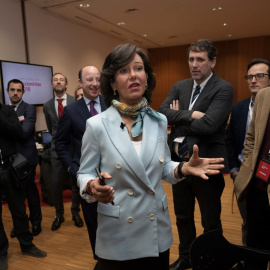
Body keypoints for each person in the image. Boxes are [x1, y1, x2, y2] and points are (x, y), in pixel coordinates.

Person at [77, 43, 225, 270]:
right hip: (118, 232)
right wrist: (91, 186)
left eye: (138, 68)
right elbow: (85, 172)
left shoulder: (158, 121)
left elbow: (163, 168)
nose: (133, 75)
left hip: (155, 230)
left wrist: (183, 168)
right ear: (113, 82)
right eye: (123, 71)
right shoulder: (97, 125)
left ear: (146, 77)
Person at [159, 39, 234, 270]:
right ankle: (187, 258)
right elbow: (162, 114)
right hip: (180, 164)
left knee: (210, 220)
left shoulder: (223, 88)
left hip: (207, 165)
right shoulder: (179, 86)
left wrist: (178, 117)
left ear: (212, 62)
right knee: (182, 217)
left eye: (200, 59)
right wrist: (192, 115)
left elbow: (210, 125)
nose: (194, 64)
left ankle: (213, 262)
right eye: (191, 59)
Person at [55, 66, 107, 269]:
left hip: (114, 173)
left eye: (97, 79)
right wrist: (72, 168)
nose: (94, 83)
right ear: (80, 83)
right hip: (86, 177)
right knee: (94, 222)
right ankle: (101, 259)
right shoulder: (70, 111)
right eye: (89, 80)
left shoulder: (110, 104)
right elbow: (60, 143)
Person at [227, 59, 270, 248]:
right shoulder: (238, 108)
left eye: (259, 76)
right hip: (246, 175)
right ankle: (248, 259)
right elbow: (233, 141)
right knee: (249, 224)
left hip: (265, 178)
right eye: (250, 76)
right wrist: (236, 172)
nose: (254, 80)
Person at [0, 102, 47, 270]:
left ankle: (27, 245)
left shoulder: (6, 110)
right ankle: (1, 253)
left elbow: (17, 132)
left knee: (19, 210)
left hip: (9, 169)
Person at [234, 82, 270, 270]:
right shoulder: (263, 95)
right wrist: (248, 164)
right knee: (256, 250)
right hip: (258, 187)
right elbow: (252, 137)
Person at [43, 73, 83, 231]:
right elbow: (52, 128)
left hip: (74, 149)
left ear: (66, 85)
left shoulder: (75, 101)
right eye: (55, 80)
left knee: (75, 182)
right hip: (55, 151)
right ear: (51, 85)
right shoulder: (47, 105)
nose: (58, 82)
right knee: (56, 184)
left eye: (61, 80)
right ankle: (59, 214)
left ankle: (75, 212)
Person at [6, 79, 42, 237]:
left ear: (23, 92)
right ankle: (20, 225)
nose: (15, 93)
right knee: (15, 197)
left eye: (18, 90)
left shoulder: (29, 109)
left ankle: (36, 223)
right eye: (12, 90)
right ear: (7, 91)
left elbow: (25, 132)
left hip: (27, 159)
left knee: (30, 193)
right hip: (10, 159)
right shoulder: (5, 110)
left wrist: (6, 128)